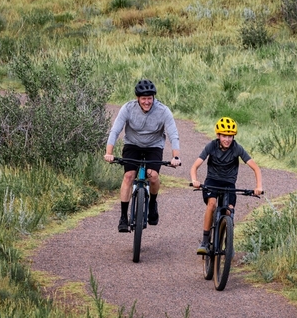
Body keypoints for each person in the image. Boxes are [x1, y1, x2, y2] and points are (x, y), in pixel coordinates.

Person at [104, 79, 181, 232]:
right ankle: (123, 217)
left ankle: (152, 203)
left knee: (153, 176)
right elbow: (115, 130)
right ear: (137, 98)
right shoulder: (128, 108)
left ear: (154, 97)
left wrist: (176, 157)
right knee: (129, 175)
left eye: (150, 98)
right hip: (133, 144)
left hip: (154, 146)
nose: (147, 102)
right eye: (144, 98)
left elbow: (173, 135)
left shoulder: (163, 111)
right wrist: (109, 153)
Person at [190, 116, 263, 255]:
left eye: (230, 136)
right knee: (211, 205)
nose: (227, 139)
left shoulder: (237, 148)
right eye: (224, 136)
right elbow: (195, 166)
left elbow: (256, 168)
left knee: (229, 210)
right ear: (218, 135)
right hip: (212, 181)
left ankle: (227, 243)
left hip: (229, 183)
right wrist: (195, 180)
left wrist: (258, 187)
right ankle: (205, 241)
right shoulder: (211, 146)